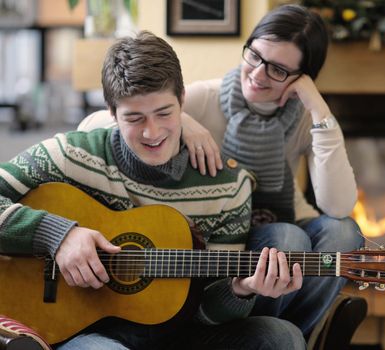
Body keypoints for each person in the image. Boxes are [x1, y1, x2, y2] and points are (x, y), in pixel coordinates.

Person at [0, 31, 307, 350]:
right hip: (90, 333)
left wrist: (240, 290)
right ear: (111, 112)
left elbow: (205, 313)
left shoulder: (228, 186)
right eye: (134, 118)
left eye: (164, 113)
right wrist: (57, 235)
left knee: (281, 336)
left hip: (185, 333)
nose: (152, 132)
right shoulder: (67, 155)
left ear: (183, 100)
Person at [79, 4, 365, 340]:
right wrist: (184, 121)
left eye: (278, 70)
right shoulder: (205, 98)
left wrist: (317, 106)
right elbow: (98, 124)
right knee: (288, 239)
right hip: (225, 237)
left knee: (343, 233)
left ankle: (298, 335)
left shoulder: (304, 117)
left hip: (281, 221)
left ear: (303, 78)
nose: (258, 74)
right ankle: (248, 329)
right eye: (255, 56)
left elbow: (338, 205)